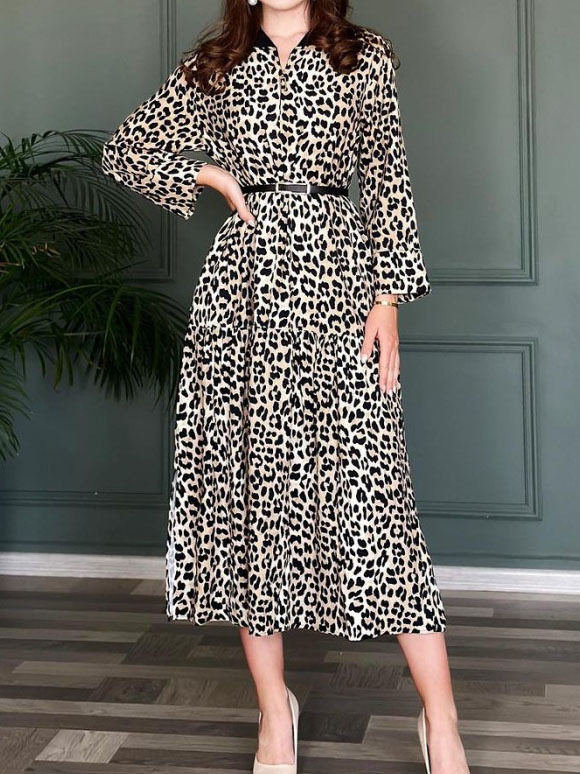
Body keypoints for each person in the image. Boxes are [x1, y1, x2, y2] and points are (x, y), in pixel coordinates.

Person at [101, 1, 471, 772]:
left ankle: (442, 722)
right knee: (252, 497)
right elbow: (126, 151)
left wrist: (388, 300)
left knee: (376, 495)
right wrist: (207, 173)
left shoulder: (362, 54)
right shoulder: (216, 62)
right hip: (244, 294)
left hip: (342, 285)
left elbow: (387, 179)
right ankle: (276, 710)